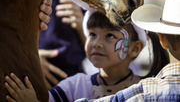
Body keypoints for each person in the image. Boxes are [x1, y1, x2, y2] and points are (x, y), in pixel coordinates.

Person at [3, 7, 169, 102]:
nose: (96, 42)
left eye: (110, 35)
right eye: (92, 34)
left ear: (134, 48)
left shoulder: (146, 89)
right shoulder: (74, 86)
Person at [38, 0, 87, 89]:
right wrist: (32, 58)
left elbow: (100, 43)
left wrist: (83, 27)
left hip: (74, 75)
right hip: (31, 73)